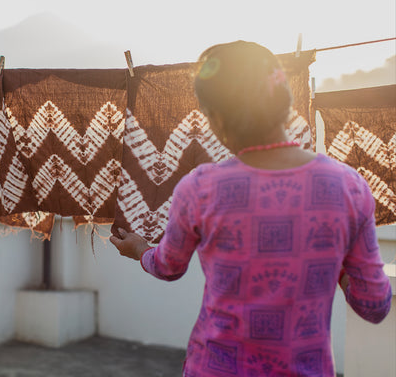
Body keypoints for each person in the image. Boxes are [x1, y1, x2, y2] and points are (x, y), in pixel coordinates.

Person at [110, 41, 392, 377]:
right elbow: (374, 306)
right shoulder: (348, 187)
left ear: (214, 116)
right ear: (285, 98)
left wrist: (140, 249)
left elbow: (169, 266)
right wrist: (335, 258)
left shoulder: (200, 188)